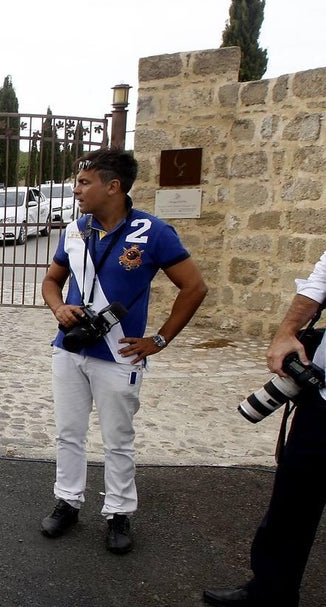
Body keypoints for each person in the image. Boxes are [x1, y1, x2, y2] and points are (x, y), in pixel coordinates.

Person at [39, 148, 207, 554]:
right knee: (69, 433)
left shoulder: (153, 232)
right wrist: (59, 307)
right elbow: (51, 281)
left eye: (84, 183)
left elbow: (194, 287)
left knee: (118, 439)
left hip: (120, 354)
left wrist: (159, 340)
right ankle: (68, 501)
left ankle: (118, 512)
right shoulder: (76, 230)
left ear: (113, 187)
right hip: (70, 349)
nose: (77, 190)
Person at [202, 251, 326, 606]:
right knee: (293, 498)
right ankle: (272, 591)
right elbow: (320, 280)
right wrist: (287, 330)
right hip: (322, 400)